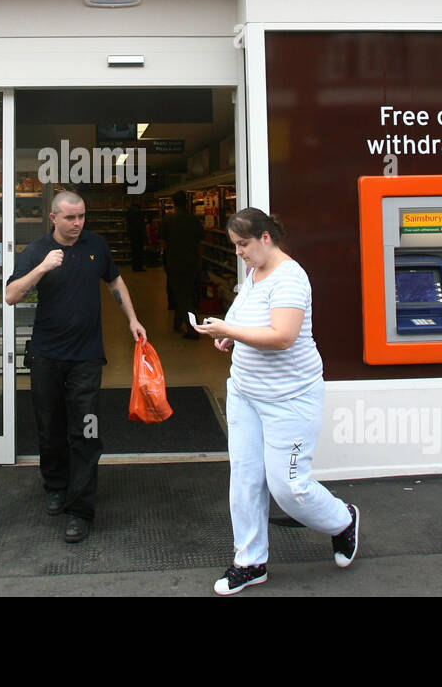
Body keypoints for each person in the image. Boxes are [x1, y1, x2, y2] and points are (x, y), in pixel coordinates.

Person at [194, 207, 359, 595]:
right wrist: (228, 334)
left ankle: (343, 520)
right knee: (247, 478)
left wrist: (229, 328)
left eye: (243, 244)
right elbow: (244, 311)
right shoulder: (255, 271)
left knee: (289, 487)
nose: (238, 252)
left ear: (265, 238)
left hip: (290, 399)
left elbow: (283, 335)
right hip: (246, 393)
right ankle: (250, 561)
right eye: (234, 245)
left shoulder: (291, 278)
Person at [4, 189, 146, 543]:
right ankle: (55, 485)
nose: (77, 224)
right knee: (49, 426)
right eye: (70, 218)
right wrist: (43, 267)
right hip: (46, 356)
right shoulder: (37, 252)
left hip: (86, 356)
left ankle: (80, 509)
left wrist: (132, 318)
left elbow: (115, 280)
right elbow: (11, 295)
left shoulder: (96, 244)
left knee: (86, 430)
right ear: (53, 218)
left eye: (81, 217)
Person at [160, 190, 204, 339]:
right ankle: (177, 323)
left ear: (173, 203)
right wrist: (199, 259)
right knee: (185, 293)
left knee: (181, 295)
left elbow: (163, 242)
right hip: (191, 261)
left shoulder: (168, 219)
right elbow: (199, 241)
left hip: (174, 262)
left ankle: (193, 329)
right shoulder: (194, 219)